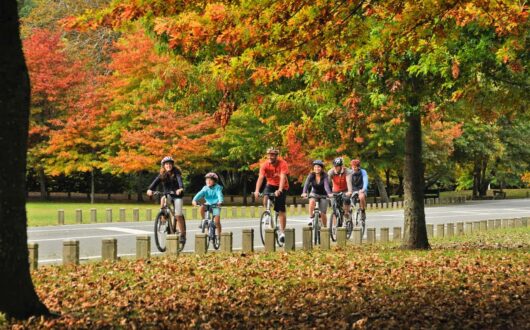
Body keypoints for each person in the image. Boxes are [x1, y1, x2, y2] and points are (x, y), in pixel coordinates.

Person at [147, 156, 186, 245]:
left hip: (177, 195)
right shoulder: (162, 174)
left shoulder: (176, 173)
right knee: (162, 199)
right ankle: (163, 217)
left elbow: (180, 181)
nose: (168, 166)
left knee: (178, 215)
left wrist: (180, 188)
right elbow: (155, 182)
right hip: (167, 194)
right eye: (166, 164)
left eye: (170, 164)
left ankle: (183, 235)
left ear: (172, 165)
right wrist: (150, 189)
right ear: (163, 166)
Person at [253, 147, 289, 244]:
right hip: (270, 185)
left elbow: (282, 177)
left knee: (281, 209)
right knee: (265, 196)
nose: (270, 156)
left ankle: (282, 232)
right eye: (269, 154)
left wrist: (280, 190)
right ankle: (267, 213)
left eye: (273, 155)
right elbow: (260, 178)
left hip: (282, 186)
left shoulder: (283, 163)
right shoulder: (264, 165)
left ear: (276, 156)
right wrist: (256, 190)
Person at [301, 160, 333, 227]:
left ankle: (324, 227)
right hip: (314, 193)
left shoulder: (325, 175)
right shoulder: (311, 175)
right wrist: (304, 192)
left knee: (323, 213)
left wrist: (329, 193)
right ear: (313, 168)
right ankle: (311, 218)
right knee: (312, 201)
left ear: (321, 168)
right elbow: (306, 184)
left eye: (318, 167)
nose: (317, 168)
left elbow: (326, 185)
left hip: (324, 195)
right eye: (315, 167)